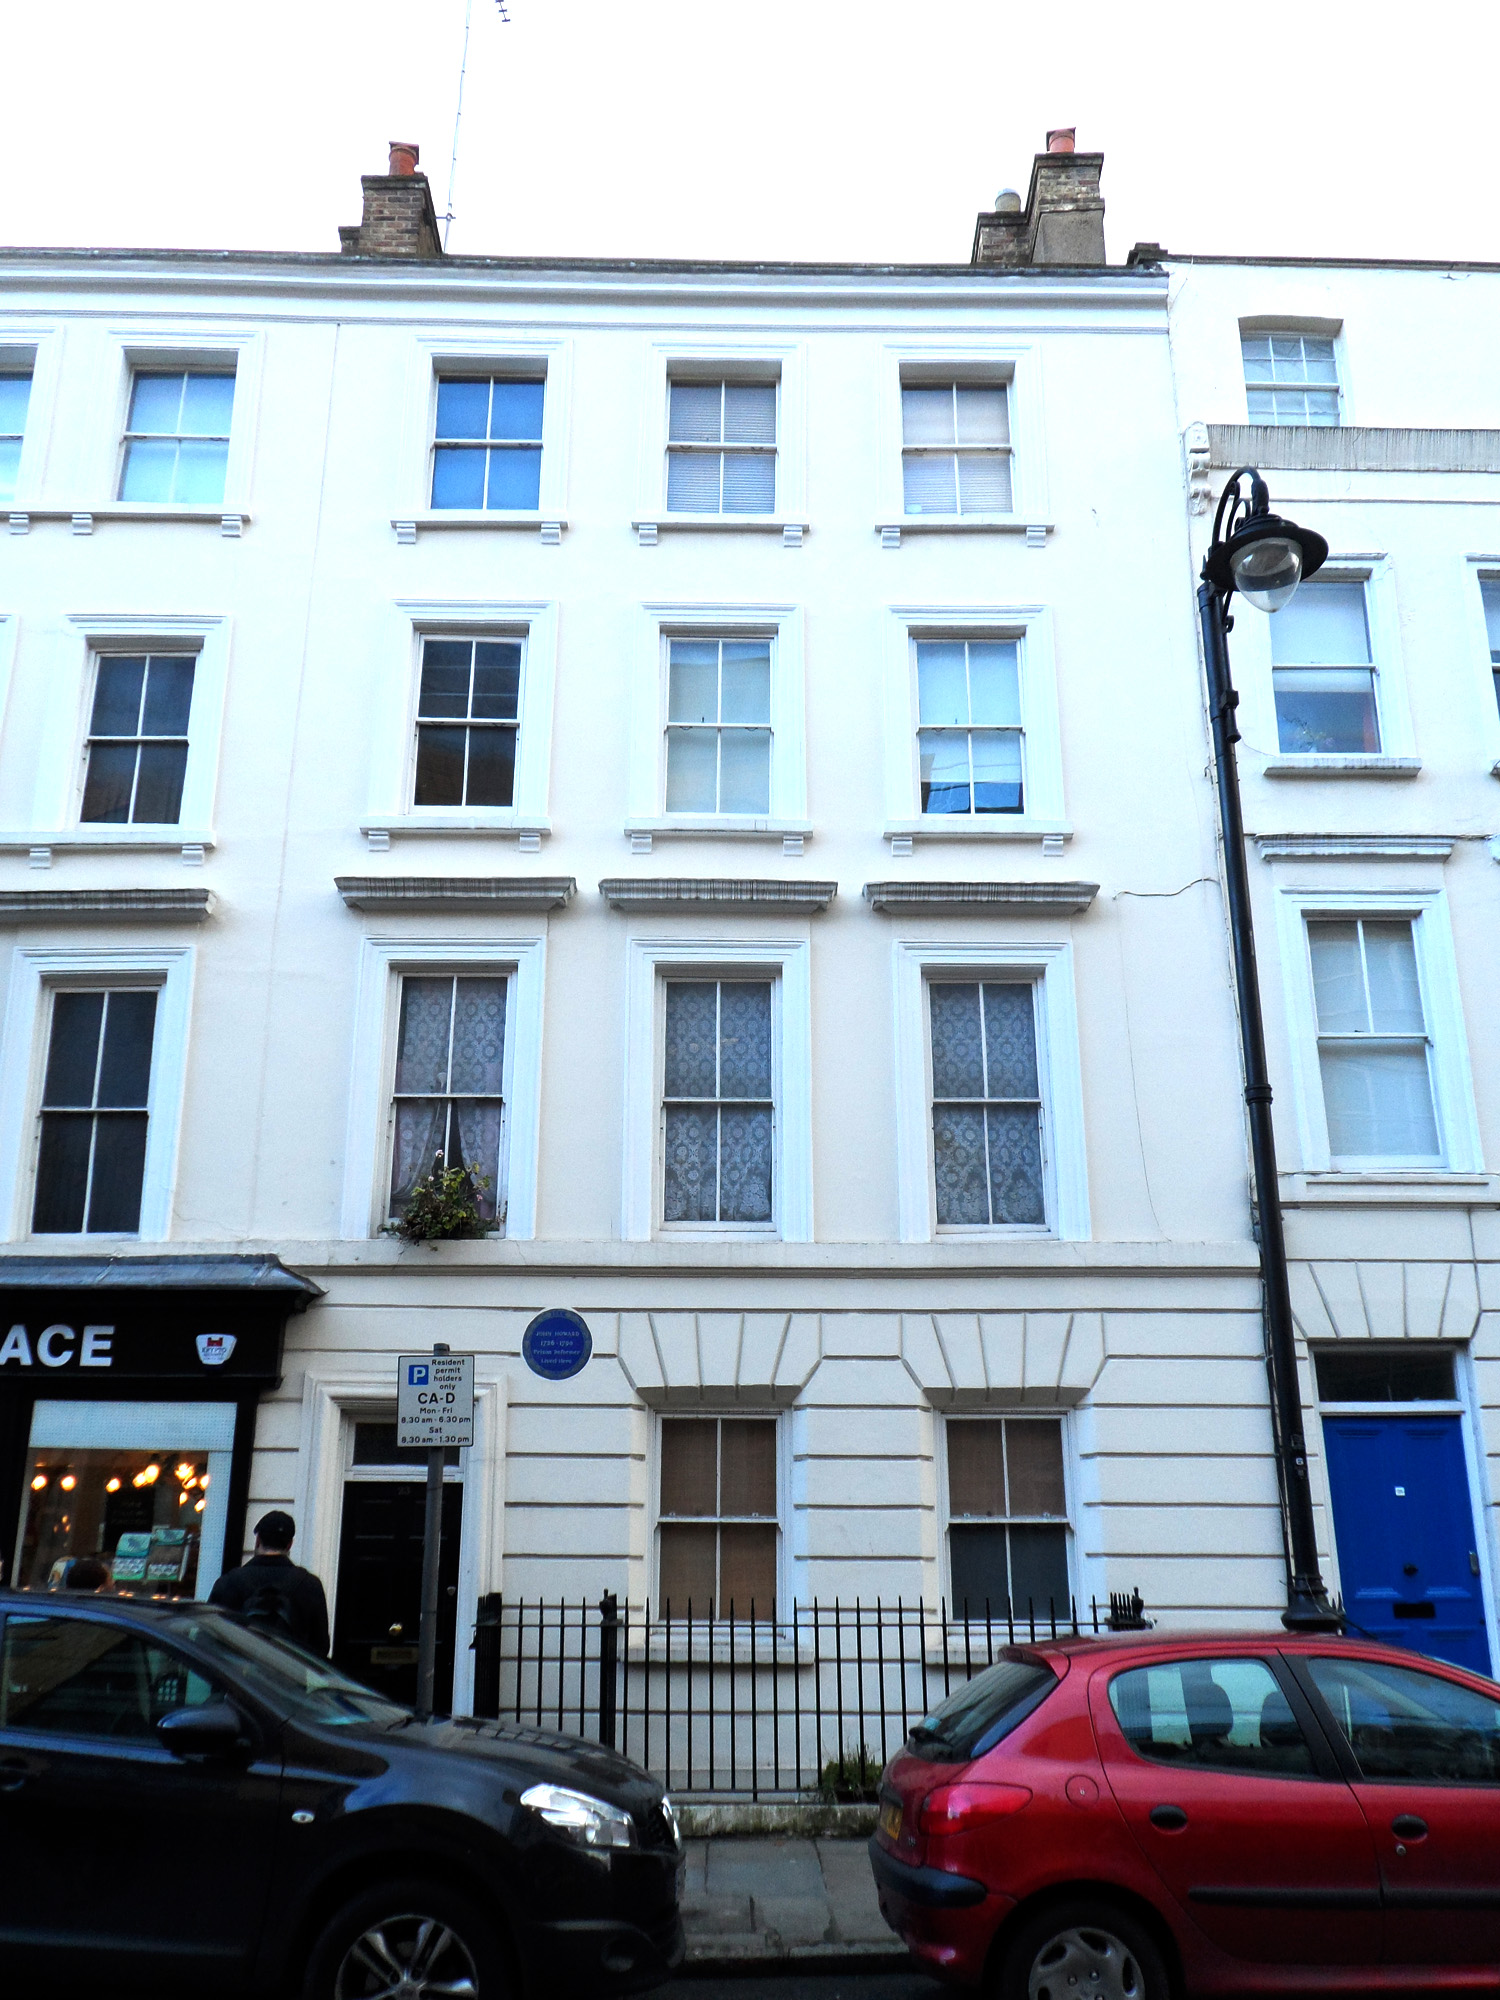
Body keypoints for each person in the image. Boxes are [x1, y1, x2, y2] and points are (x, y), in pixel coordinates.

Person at [209, 1510, 330, 1657]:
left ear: (258, 1540)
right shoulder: (310, 1585)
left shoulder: (229, 1581)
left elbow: (209, 1637)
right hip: (288, 1676)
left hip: (238, 1676)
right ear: (290, 1544)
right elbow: (321, 1646)